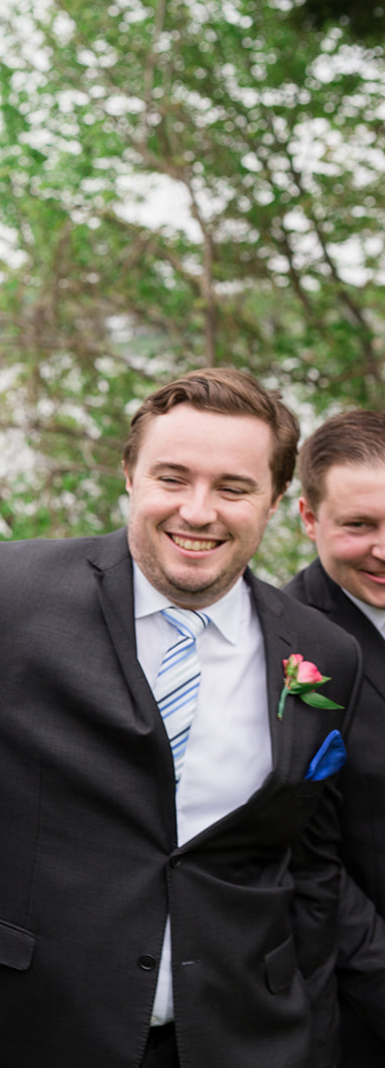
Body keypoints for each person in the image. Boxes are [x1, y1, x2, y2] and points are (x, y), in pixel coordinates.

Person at [0, 367, 360, 1068]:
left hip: (238, 1037)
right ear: (130, 474)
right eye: (172, 478)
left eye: (233, 488)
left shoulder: (323, 654)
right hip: (18, 1030)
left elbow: (307, 867)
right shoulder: (5, 594)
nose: (198, 511)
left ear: (276, 500)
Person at [287, 410, 385, 1064]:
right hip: (363, 1003)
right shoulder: (290, 652)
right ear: (308, 519)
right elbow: (302, 857)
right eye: (360, 526)